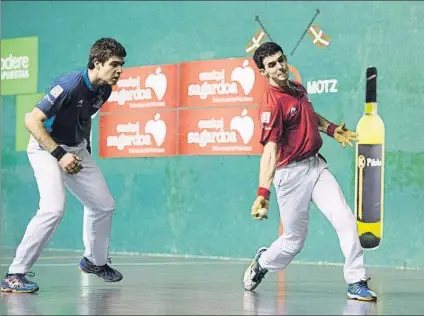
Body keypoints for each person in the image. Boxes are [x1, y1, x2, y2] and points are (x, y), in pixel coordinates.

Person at [242, 42, 377, 302]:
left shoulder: (297, 88)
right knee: (293, 242)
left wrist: (332, 129)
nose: (280, 67)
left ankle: (356, 281)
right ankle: (263, 262)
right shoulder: (272, 104)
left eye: (281, 60)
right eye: (272, 65)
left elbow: (309, 115)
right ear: (263, 72)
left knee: (346, 221)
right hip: (290, 176)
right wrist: (262, 192)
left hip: (316, 167)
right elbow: (269, 152)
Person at [1, 38, 127, 293]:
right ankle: (15, 274)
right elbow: (32, 121)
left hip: (76, 150)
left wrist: (83, 151)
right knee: (53, 209)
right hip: (46, 148)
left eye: (122, 65)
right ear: (97, 62)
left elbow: (84, 118)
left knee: (104, 205)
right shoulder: (68, 86)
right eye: (114, 64)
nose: (120, 70)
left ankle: (94, 261)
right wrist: (59, 154)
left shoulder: (105, 89)